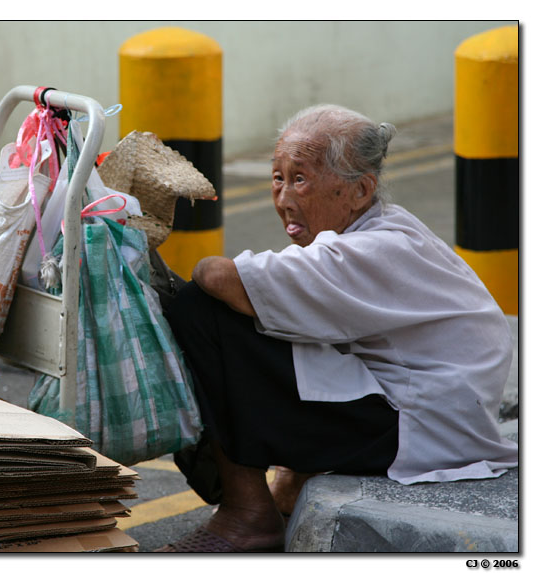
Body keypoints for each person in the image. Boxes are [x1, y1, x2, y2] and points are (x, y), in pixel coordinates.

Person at [156, 104, 518, 553]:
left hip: (423, 428)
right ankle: (288, 485)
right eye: (278, 177)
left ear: (360, 190)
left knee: (201, 310)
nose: (284, 197)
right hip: (435, 414)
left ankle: (247, 512)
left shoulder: (369, 251)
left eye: (300, 179)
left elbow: (215, 277)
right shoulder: (388, 226)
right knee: (278, 320)